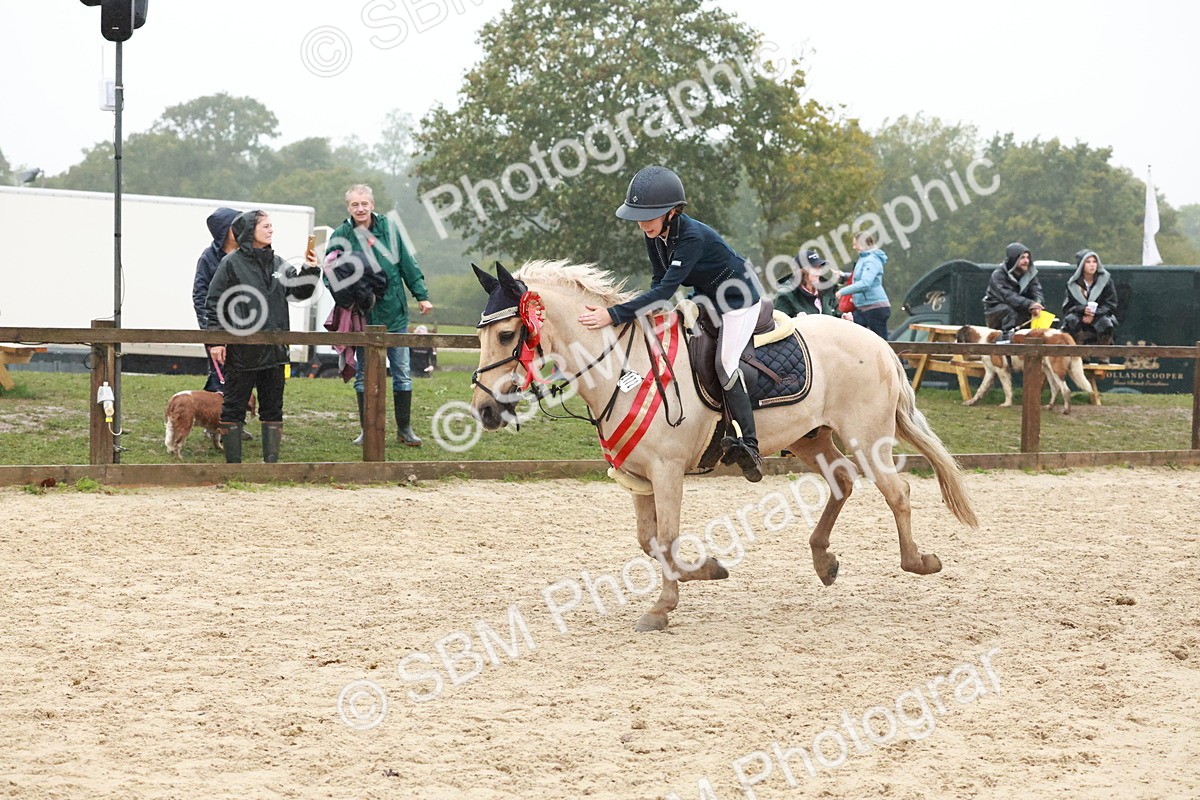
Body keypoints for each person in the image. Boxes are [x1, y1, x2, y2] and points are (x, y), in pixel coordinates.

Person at [577, 165, 765, 482]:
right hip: (706, 295)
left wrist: (614, 314)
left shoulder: (691, 237)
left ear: (672, 212)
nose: (641, 223)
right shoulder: (655, 234)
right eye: (638, 215)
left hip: (739, 301)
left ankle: (750, 444)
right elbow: (658, 280)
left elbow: (665, 290)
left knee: (725, 363)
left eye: (648, 215)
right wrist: (646, 310)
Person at [205, 210, 320, 463]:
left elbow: (299, 292)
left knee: (273, 407)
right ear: (249, 231)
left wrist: (311, 268)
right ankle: (233, 467)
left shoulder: (279, 263)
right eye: (265, 226)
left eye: (271, 226)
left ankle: (271, 466)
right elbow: (213, 302)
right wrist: (215, 340)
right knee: (234, 407)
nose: (271, 230)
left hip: (276, 352)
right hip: (242, 352)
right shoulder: (231, 264)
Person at [327, 184, 433, 446]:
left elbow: (407, 262)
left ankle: (404, 429)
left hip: (393, 312)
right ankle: (367, 429)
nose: (360, 209)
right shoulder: (341, 234)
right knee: (363, 374)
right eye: (355, 205)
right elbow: (329, 273)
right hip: (361, 316)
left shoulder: (389, 229)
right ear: (348, 207)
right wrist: (347, 299)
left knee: (402, 371)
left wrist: (421, 294)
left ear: (372, 205)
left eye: (364, 204)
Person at [192, 207, 241, 393]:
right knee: (219, 377)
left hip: (246, 327)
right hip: (218, 327)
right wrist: (212, 337)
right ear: (226, 230)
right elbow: (200, 295)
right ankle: (217, 418)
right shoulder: (208, 258)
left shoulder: (248, 253)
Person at [1061, 248, 1118, 361]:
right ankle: (1081, 354)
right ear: (1082, 265)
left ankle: (1104, 355)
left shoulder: (1106, 282)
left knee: (1106, 323)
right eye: (1088, 262)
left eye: (1094, 261)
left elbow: (1111, 304)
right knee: (1071, 320)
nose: (1092, 265)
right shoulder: (1072, 284)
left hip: (1100, 315)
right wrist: (1083, 310)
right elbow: (1068, 308)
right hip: (1079, 316)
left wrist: (1095, 313)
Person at [835, 231, 891, 338]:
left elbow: (865, 283)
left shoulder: (872, 260)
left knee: (881, 342)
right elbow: (858, 276)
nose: (854, 247)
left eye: (856, 244)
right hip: (863, 308)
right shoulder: (864, 258)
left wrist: (842, 291)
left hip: (875, 308)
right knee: (851, 333)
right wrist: (843, 276)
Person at [983, 242, 1044, 340]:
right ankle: (1006, 340)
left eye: (1028, 257)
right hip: (997, 311)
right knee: (1010, 311)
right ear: (1013, 259)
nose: (1026, 261)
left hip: (1021, 308)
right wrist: (1030, 304)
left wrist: (1037, 304)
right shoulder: (998, 275)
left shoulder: (1030, 275)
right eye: (1022, 258)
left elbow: (1037, 292)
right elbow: (1008, 296)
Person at [776, 249, 844, 317]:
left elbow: (835, 314)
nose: (819, 271)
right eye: (814, 267)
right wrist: (796, 319)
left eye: (820, 267)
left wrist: (843, 318)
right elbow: (780, 324)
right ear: (802, 271)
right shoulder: (786, 295)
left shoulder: (828, 290)